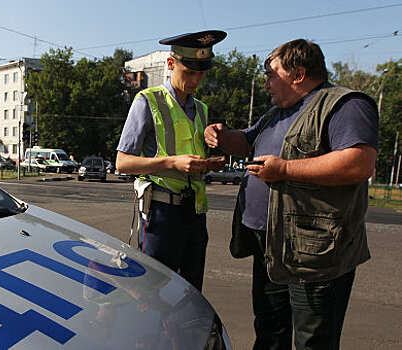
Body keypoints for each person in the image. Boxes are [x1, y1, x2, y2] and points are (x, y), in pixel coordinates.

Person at [204, 39, 378, 349]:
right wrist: (218, 135)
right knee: (270, 333)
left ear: (297, 74)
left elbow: (359, 162)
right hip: (271, 247)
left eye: (272, 74)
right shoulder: (276, 113)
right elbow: (245, 142)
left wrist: (285, 170)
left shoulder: (344, 104)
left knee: (314, 341)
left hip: (314, 254)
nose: (266, 82)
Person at [115, 30, 227, 291]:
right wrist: (171, 163)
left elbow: (192, 158)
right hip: (162, 216)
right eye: (189, 72)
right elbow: (122, 163)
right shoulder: (147, 101)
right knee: (153, 294)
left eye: (201, 73)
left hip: (195, 213)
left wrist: (209, 162)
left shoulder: (201, 109)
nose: (196, 80)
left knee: (191, 293)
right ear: (170, 64)